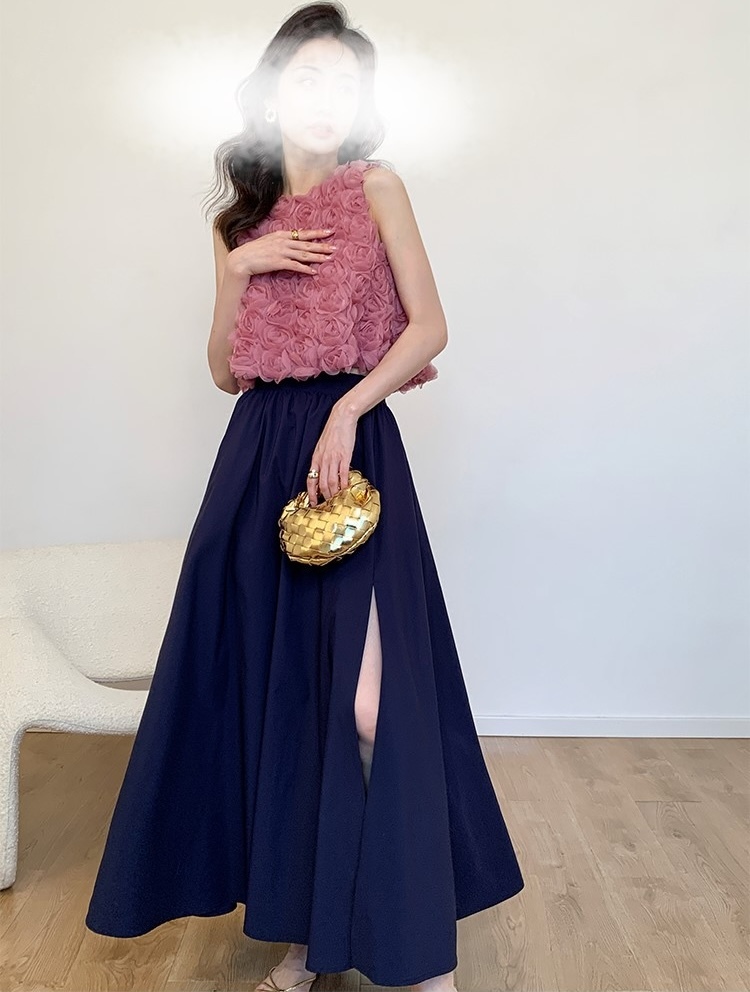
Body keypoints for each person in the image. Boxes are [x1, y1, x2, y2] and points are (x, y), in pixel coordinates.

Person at [84, 3, 525, 990]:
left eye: (345, 82)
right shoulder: (234, 222)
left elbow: (430, 327)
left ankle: (416, 947)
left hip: (349, 454)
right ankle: (299, 937)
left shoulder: (378, 187)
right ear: (271, 90)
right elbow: (225, 372)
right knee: (283, 704)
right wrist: (236, 272)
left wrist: (350, 408)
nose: (327, 97)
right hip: (257, 463)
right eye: (308, 77)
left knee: (368, 703)